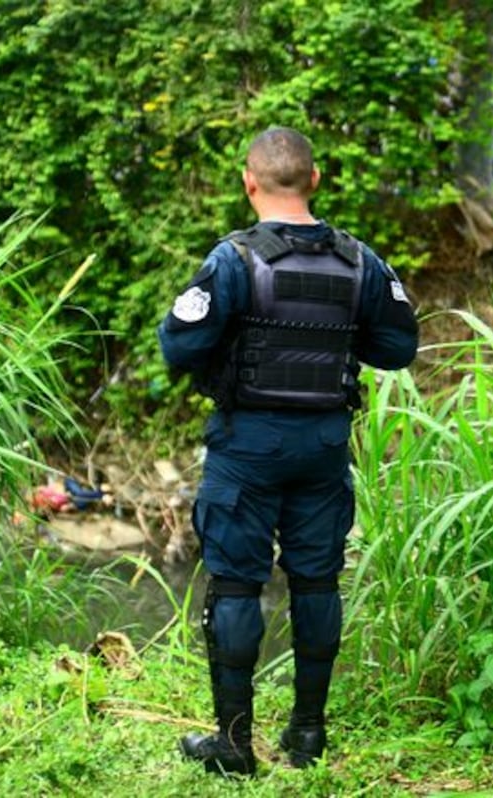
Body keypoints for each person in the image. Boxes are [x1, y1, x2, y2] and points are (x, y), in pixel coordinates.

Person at [158, 127, 419, 777]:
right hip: (323, 445)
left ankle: (234, 745)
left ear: (249, 183)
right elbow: (398, 347)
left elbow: (178, 345)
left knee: (236, 585)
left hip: (247, 444)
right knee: (316, 580)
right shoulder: (360, 262)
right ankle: (307, 736)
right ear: (316, 179)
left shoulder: (232, 261)